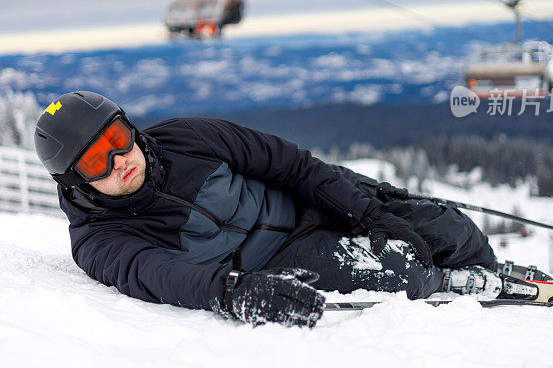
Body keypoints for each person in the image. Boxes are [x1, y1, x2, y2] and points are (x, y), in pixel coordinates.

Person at [34, 91, 501, 328]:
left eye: (117, 140)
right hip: (274, 261)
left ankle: (502, 275)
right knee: (401, 270)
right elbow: (154, 274)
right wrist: (231, 290)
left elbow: (288, 163)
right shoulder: (98, 239)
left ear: (128, 126)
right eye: (98, 161)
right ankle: (451, 283)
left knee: (449, 226)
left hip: (307, 202)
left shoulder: (185, 137)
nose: (121, 161)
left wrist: (365, 212)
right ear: (78, 181)